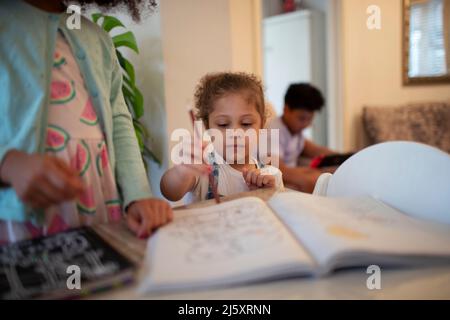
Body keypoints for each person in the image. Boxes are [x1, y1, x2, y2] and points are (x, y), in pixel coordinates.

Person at [0, 0, 173, 243]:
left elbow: (119, 123)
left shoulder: (97, 39)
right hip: (16, 216)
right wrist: (8, 164)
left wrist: (137, 194)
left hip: (97, 200)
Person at [160, 72, 284, 202]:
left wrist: (267, 195)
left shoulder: (272, 175)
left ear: (261, 124)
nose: (235, 133)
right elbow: (169, 192)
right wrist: (182, 172)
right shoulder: (202, 166)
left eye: (246, 123)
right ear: (208, 127)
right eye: (223, 124)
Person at [267, 83, 335, 193]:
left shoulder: (295, 131)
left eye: (310, 119)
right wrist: (312, 175)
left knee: (329, 173)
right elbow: (277, 170)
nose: (306, 124)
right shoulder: (273, 133)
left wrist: (343, 157)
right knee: (317, 180)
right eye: (302, 119)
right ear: (286, 109)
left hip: (289, 176)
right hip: (278, 179)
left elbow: (314, 150)